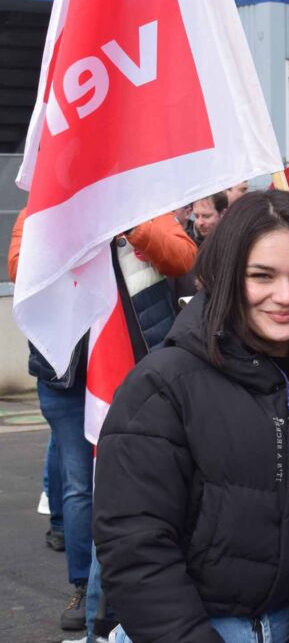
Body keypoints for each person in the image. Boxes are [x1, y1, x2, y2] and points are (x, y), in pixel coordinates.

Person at [93, 191, 289, 642]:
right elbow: (135, 546)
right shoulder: (163, 386)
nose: (285, 296)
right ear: (224, 277)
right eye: (261, 276)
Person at [8, 206, 196, 634]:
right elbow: (20, 267)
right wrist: (70, 231)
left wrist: (134, 225)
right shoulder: (44, 208)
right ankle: (83, 588)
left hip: (140, 366)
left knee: (147, 482)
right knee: (79, 486)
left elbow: (183, 258)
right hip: (68, 375)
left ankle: (129, 591)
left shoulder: (144, 201)